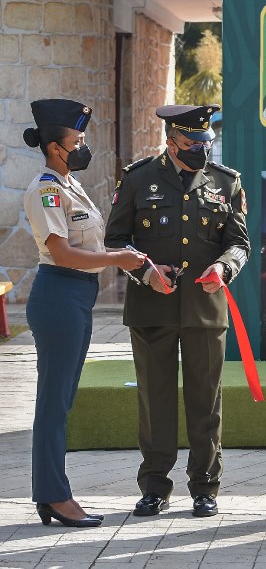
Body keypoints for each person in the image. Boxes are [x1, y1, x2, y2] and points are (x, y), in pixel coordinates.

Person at [104, 104, 250, 519]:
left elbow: (239, 243)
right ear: (171, 142)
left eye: (205, 142)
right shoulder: (138, 178)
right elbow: (116, 241)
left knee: (206, 401)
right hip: (152, 308)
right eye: (191, 143)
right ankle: (154, 486)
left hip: (205, 308)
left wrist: (224, 267)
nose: (201, 150)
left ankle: (205, 487)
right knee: (155, 399)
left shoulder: (227, 182)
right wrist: (145, 272)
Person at [22, 99, 146, 528]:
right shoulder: (45, 190)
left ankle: (49, 493)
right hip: (58, 296)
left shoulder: (70, 185)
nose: (82, 146)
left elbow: (86, 249)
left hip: (76, 298)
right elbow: (64, 253)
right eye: (76, 140)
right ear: (56, 147)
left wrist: (121, 256)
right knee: (54, 403)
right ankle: (55, 496)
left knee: (62, 400)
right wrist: (117, 259)